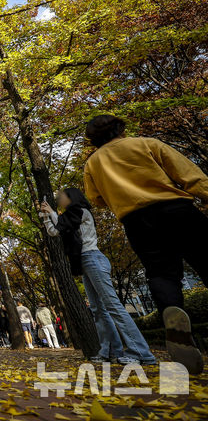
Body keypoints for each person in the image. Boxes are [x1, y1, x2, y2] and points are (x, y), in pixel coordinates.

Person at [83, 114, 208, 374]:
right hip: (176, 209)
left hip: (136, 222)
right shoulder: (145, 144)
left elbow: (95, 199)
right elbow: (188, 174)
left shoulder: (93, 163)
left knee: (160, 273)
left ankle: (172, 318)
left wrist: (120, 195)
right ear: (120, 128)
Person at [40, 187, 156, 366]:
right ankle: (110, 351)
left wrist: (52, 213)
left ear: (72, 198)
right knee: (97, 309)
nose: (59, 199)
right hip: (86, 262)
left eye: (62, 197)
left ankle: (141, 352)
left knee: (112, 306)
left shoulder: (80, 212)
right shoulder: (70, 215)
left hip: (92, 258)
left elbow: (62, 226)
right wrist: (48, 215)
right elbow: (54, 231)